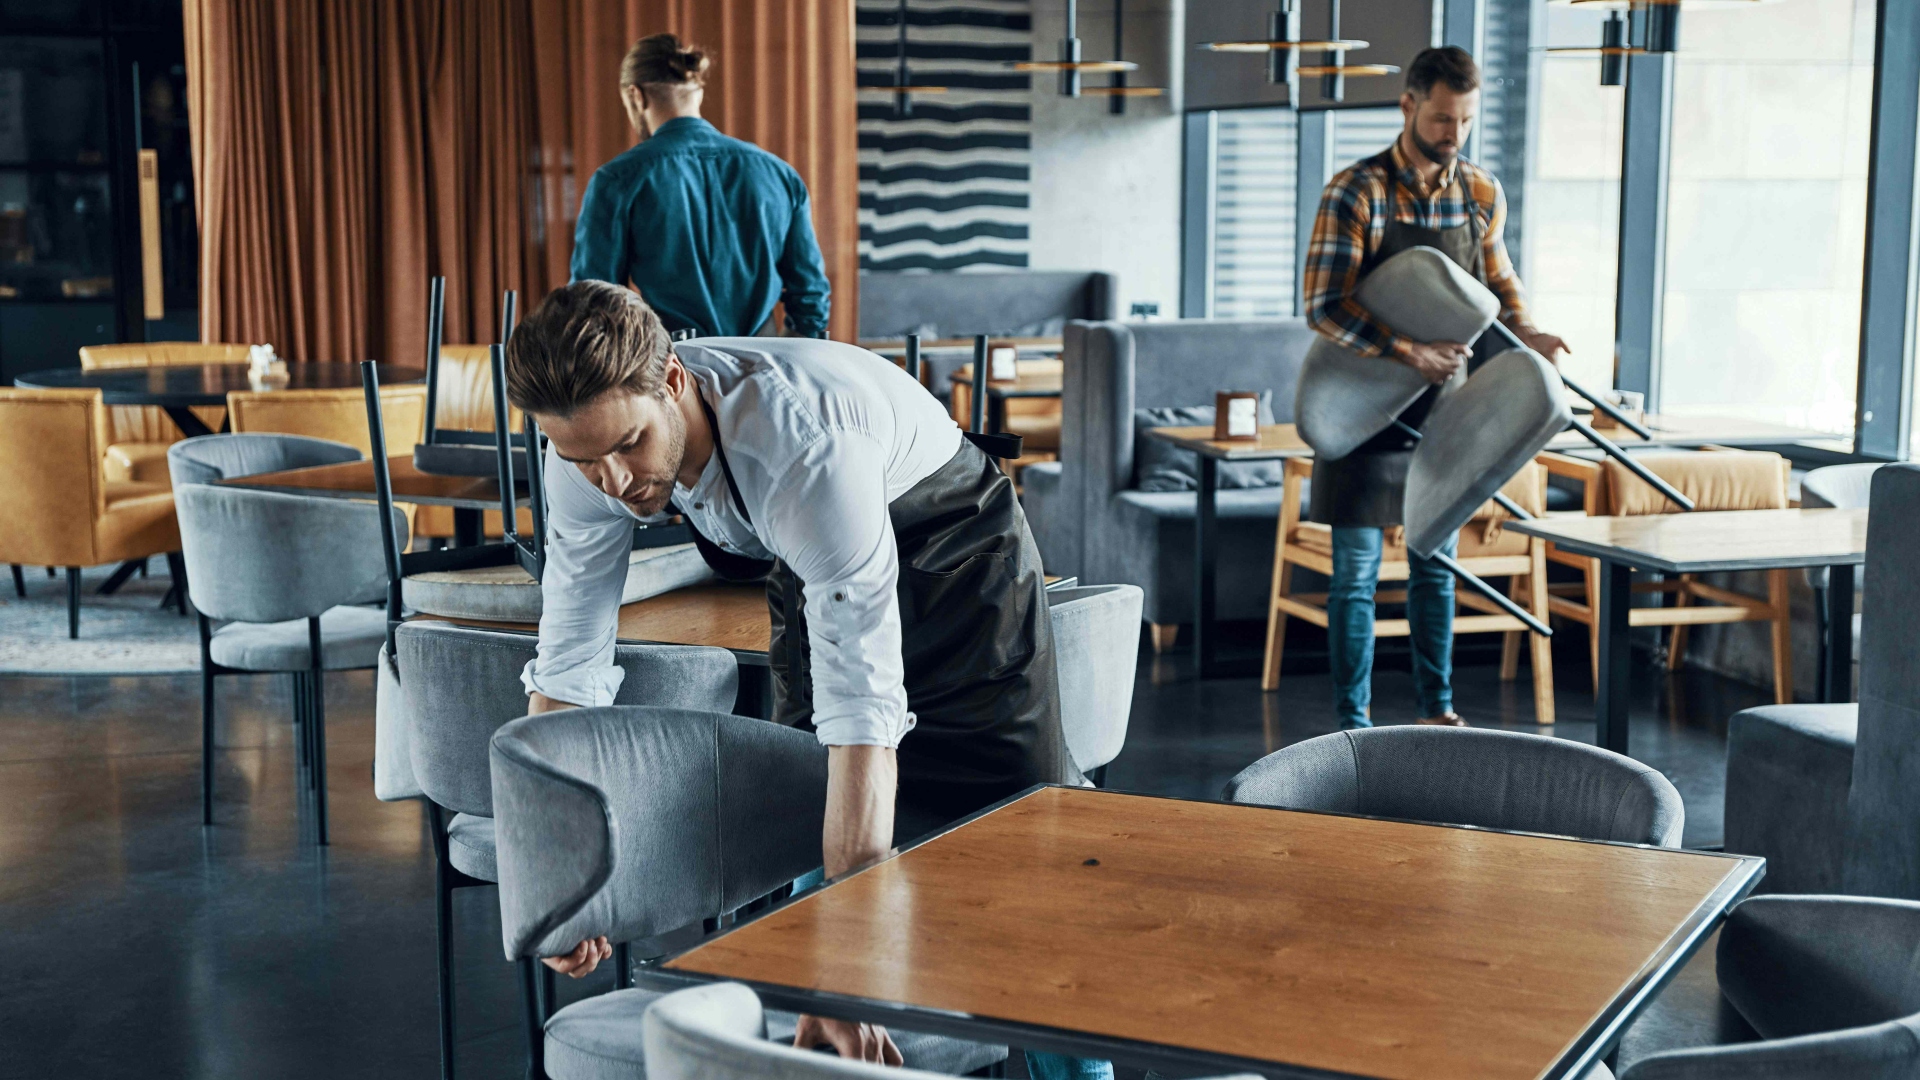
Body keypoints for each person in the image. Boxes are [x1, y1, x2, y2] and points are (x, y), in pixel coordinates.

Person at [503, 281, 1108, 1080]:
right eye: (585, 460)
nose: (613, 481)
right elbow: (571, 660)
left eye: (628, 446)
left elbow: (864, 711)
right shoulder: (583, 459)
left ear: (674, 381)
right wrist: (563, 874)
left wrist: (847, 976)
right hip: (812, 556)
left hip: (960, 557)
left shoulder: (801, 446)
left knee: (1023, 864)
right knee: (804, 821)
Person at [1301, 46, 1569, 731]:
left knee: (1434, 567)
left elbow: (1501, 286)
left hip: (1449, 409)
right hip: (1360, 411)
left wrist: (1530, 333)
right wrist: (1407, 350)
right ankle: (1352, 725)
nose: (1455, 135)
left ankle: (1436, 712)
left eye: (1467, 121)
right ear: (1409, 105)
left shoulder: (1480, 193)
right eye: (1444, 118)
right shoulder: (1356, 191)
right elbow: (1322, 306)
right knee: (1356, 579)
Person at [571, 33, 830, 338]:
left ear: (636, 96)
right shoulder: (779, 174)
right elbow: (810, 293)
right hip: (765, 363)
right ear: (699, 92)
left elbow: (594, 305)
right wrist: (785, 357)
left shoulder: (617, 180)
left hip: (672, 372)